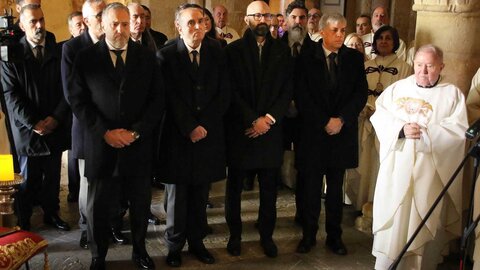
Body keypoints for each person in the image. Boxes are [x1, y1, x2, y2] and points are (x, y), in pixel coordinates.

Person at [68, 3, 164, 269]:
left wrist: (135, 132)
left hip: (137, 144)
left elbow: (157, 101)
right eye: (114, 24)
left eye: (125, 23)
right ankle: (99, 256)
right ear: (102, 24)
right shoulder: (86, 57)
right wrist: (105, 133)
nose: (121, 30)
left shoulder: (147, 57)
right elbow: (78, 101)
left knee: (140, 203)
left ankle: (140, 251)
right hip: (101, 146)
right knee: (98, 207)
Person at [371, 44, 467, 269]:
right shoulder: (397, 89)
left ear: (441, 66)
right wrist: (401, 129)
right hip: (398, 166)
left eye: (430, 66)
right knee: (396, 218)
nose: (423, 71)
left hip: (429, 171)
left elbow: (458, 131)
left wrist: (427, 135)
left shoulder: (451, 94)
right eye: (419, 65)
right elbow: (380, 115)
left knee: (423, 216)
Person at [157, 4, 230, 267]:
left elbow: (224, 93)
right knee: (177, 196)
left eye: (200, 21)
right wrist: (189, 126)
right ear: (178, 26)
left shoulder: (217, 51)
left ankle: (197, 243)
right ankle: (174, 245)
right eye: (190, 22)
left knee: (201, 193)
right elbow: (167, 97)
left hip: (208, 135)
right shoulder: (165, 56)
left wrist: (205, 125)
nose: (197, 27)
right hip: (178, 136)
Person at [295, 13, 367, 255]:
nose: (340, 35)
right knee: (311, 189)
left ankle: (335, 237)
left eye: (343, 30)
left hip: (341, 134)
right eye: (335, 30)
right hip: (314, 133)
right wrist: (324, 120)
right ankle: (308, 235)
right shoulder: (306, 57)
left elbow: (360, 94)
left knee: (336, 190)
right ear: (323, 31)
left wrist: (341, 120)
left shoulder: (354, 59)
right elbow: (302, 96)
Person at [224, 0, 292, 258]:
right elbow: (231, 91)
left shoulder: (282, 51)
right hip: (242, 129)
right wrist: (253, 120)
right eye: (257, 15)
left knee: (268, 189)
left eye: (266, 15)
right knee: (234, 189)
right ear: (247, 20)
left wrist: (269, 119)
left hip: (271, 131)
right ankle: (235, 235)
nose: (263, 19)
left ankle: (266, 236)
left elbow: (287, 89)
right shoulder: (233, 51)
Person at [2, 4, 71, 231]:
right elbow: (10, 95)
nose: (39, 25)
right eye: (33, 21)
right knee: (27, 181)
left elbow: (66, 88)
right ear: (22, 25)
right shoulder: (10, 53)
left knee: (52, 178)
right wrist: (33, 123)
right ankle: (24, 220)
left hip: (54, 126)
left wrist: (56, 117)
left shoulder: (57, 49)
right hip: (27, 130)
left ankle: (52, 214)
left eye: (41, 19)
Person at [349, 25, 412, 212]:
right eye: (380, 38)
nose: (383, 41)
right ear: (375, 41)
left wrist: (382, 114)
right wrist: (365, 109)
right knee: (364, 161)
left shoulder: (404, 68)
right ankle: (362, 204)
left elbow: (404, 98)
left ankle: (380, 206)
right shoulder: (365, 66)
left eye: (388, 38)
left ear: (395, 42)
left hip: (388, 125)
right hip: (365, 119)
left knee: (381, 163)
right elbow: (356, 92)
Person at [61, 0, 107, 249]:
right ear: (87, 20)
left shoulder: (114, 44)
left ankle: (108, 225)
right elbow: (73, 95)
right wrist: (101, 125)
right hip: (88, 128)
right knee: (87, 187)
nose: (104, 18)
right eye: (99, 15)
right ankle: (86, 228)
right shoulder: (73, 48)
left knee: (110, 183)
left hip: (114, 130)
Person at [280, 0, 315, 227]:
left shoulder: (315, 49)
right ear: (286, 19)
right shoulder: (275, 47)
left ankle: (304, 214)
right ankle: (268, 217)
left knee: (305, 169)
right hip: (279, 117)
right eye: (294, 17)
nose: (298, 22)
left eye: (303, 18)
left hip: (306, 119)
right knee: (272, 167)